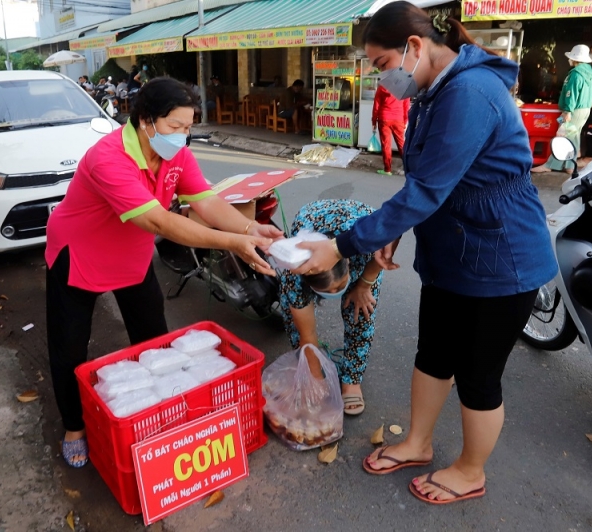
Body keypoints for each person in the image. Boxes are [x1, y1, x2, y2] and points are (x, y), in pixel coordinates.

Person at [293, 4, 557, 504]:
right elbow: (425, 183)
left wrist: (342, 245)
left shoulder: (470, 93)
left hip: (501, 260)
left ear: (414, 48)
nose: (382, 76)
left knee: (478, 376)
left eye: (380, 62)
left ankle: (470, 471)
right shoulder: (434, 93)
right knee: (433, 354)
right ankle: (417, 442)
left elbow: (427, 190)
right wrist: (391, 231)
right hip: (451, 253)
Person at [45, 77, 283, 468]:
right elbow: (159, 223)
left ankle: (154, 413)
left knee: (153, 340)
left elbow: (204, 199)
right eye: (175, 127)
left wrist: (248, 229)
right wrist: (229, 244)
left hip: (131, 256)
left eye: (189, 127)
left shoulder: (175, 154)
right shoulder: (108, 157)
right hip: (80, 254)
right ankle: (74, 425)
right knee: (70, 346)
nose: (182, 136)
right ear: (145, 121)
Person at [277, 199, 384, 416]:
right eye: (329, 291)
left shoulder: (367, 244)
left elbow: (390, 243)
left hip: (362, 230)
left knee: (361, 310)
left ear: (351, 266)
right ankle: (310, 370)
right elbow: (308, 335)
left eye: (339, 286)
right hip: (311, 220)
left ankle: (352, 380)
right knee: (295, 320)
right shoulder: (295, 276)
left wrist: (364, 284)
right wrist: (316, 382)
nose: (335, 294)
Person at [531, 45, 592, 174]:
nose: (569, 60)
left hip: (574, 110)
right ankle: (570, 166)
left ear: (575, 59)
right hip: (584, 110)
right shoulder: (588, 73)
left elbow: (571, 94)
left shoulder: (576, 74)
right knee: (573, 135)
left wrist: (567, 111)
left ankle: (550, 165)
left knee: (563, 135)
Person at [372, 84, 410, 175]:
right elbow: (406, 106)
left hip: (384, 118)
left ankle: (387, 170)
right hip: (398, 119)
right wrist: (405, 121)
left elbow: (376, 106)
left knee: (386, 145)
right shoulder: (404, 88)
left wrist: (374, 121)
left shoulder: (382, 87)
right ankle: (409, 169)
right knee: (402, 145)